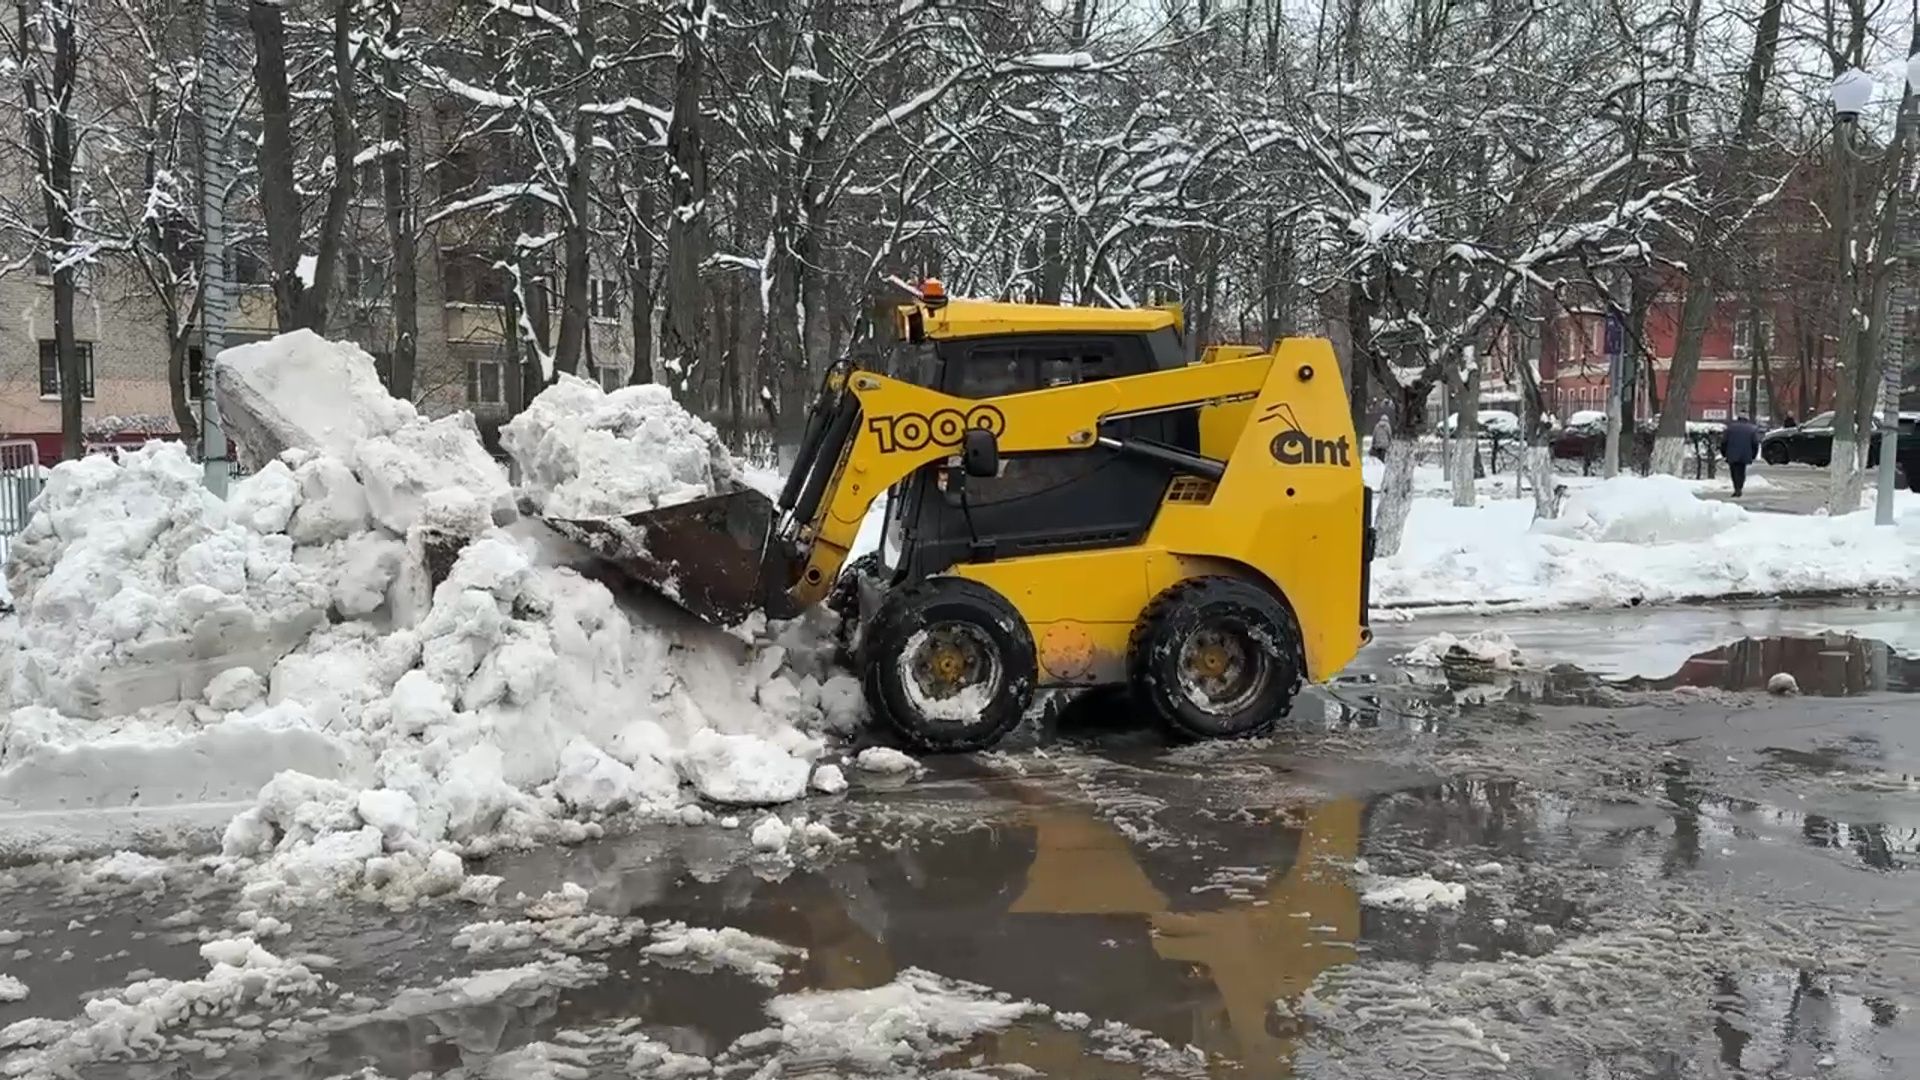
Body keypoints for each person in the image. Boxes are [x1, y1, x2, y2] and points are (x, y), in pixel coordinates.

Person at [1722, 414, 1761, 497]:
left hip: (1732, 453)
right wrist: (1753, 455)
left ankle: (1736, 488)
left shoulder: (1730, 428)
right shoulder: (1751, 429)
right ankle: (1740, 487)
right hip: (1745, 454)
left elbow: (1724, 442)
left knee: (1734, 471)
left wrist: (1724, 453)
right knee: (1741, 471)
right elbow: (1755, 444)